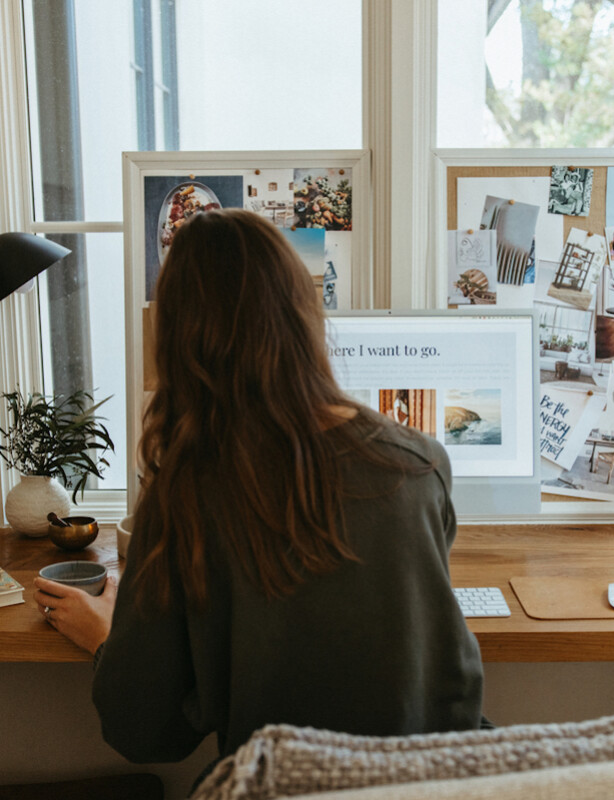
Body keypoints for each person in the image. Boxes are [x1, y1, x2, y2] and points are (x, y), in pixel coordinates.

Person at [33, 208, 484, 782]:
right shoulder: (420, 464)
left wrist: (106, 637)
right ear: (303, 315)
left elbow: (145, 730)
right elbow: (447, 686)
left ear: (180, 342)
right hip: (423, 790)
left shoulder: (186, 497)